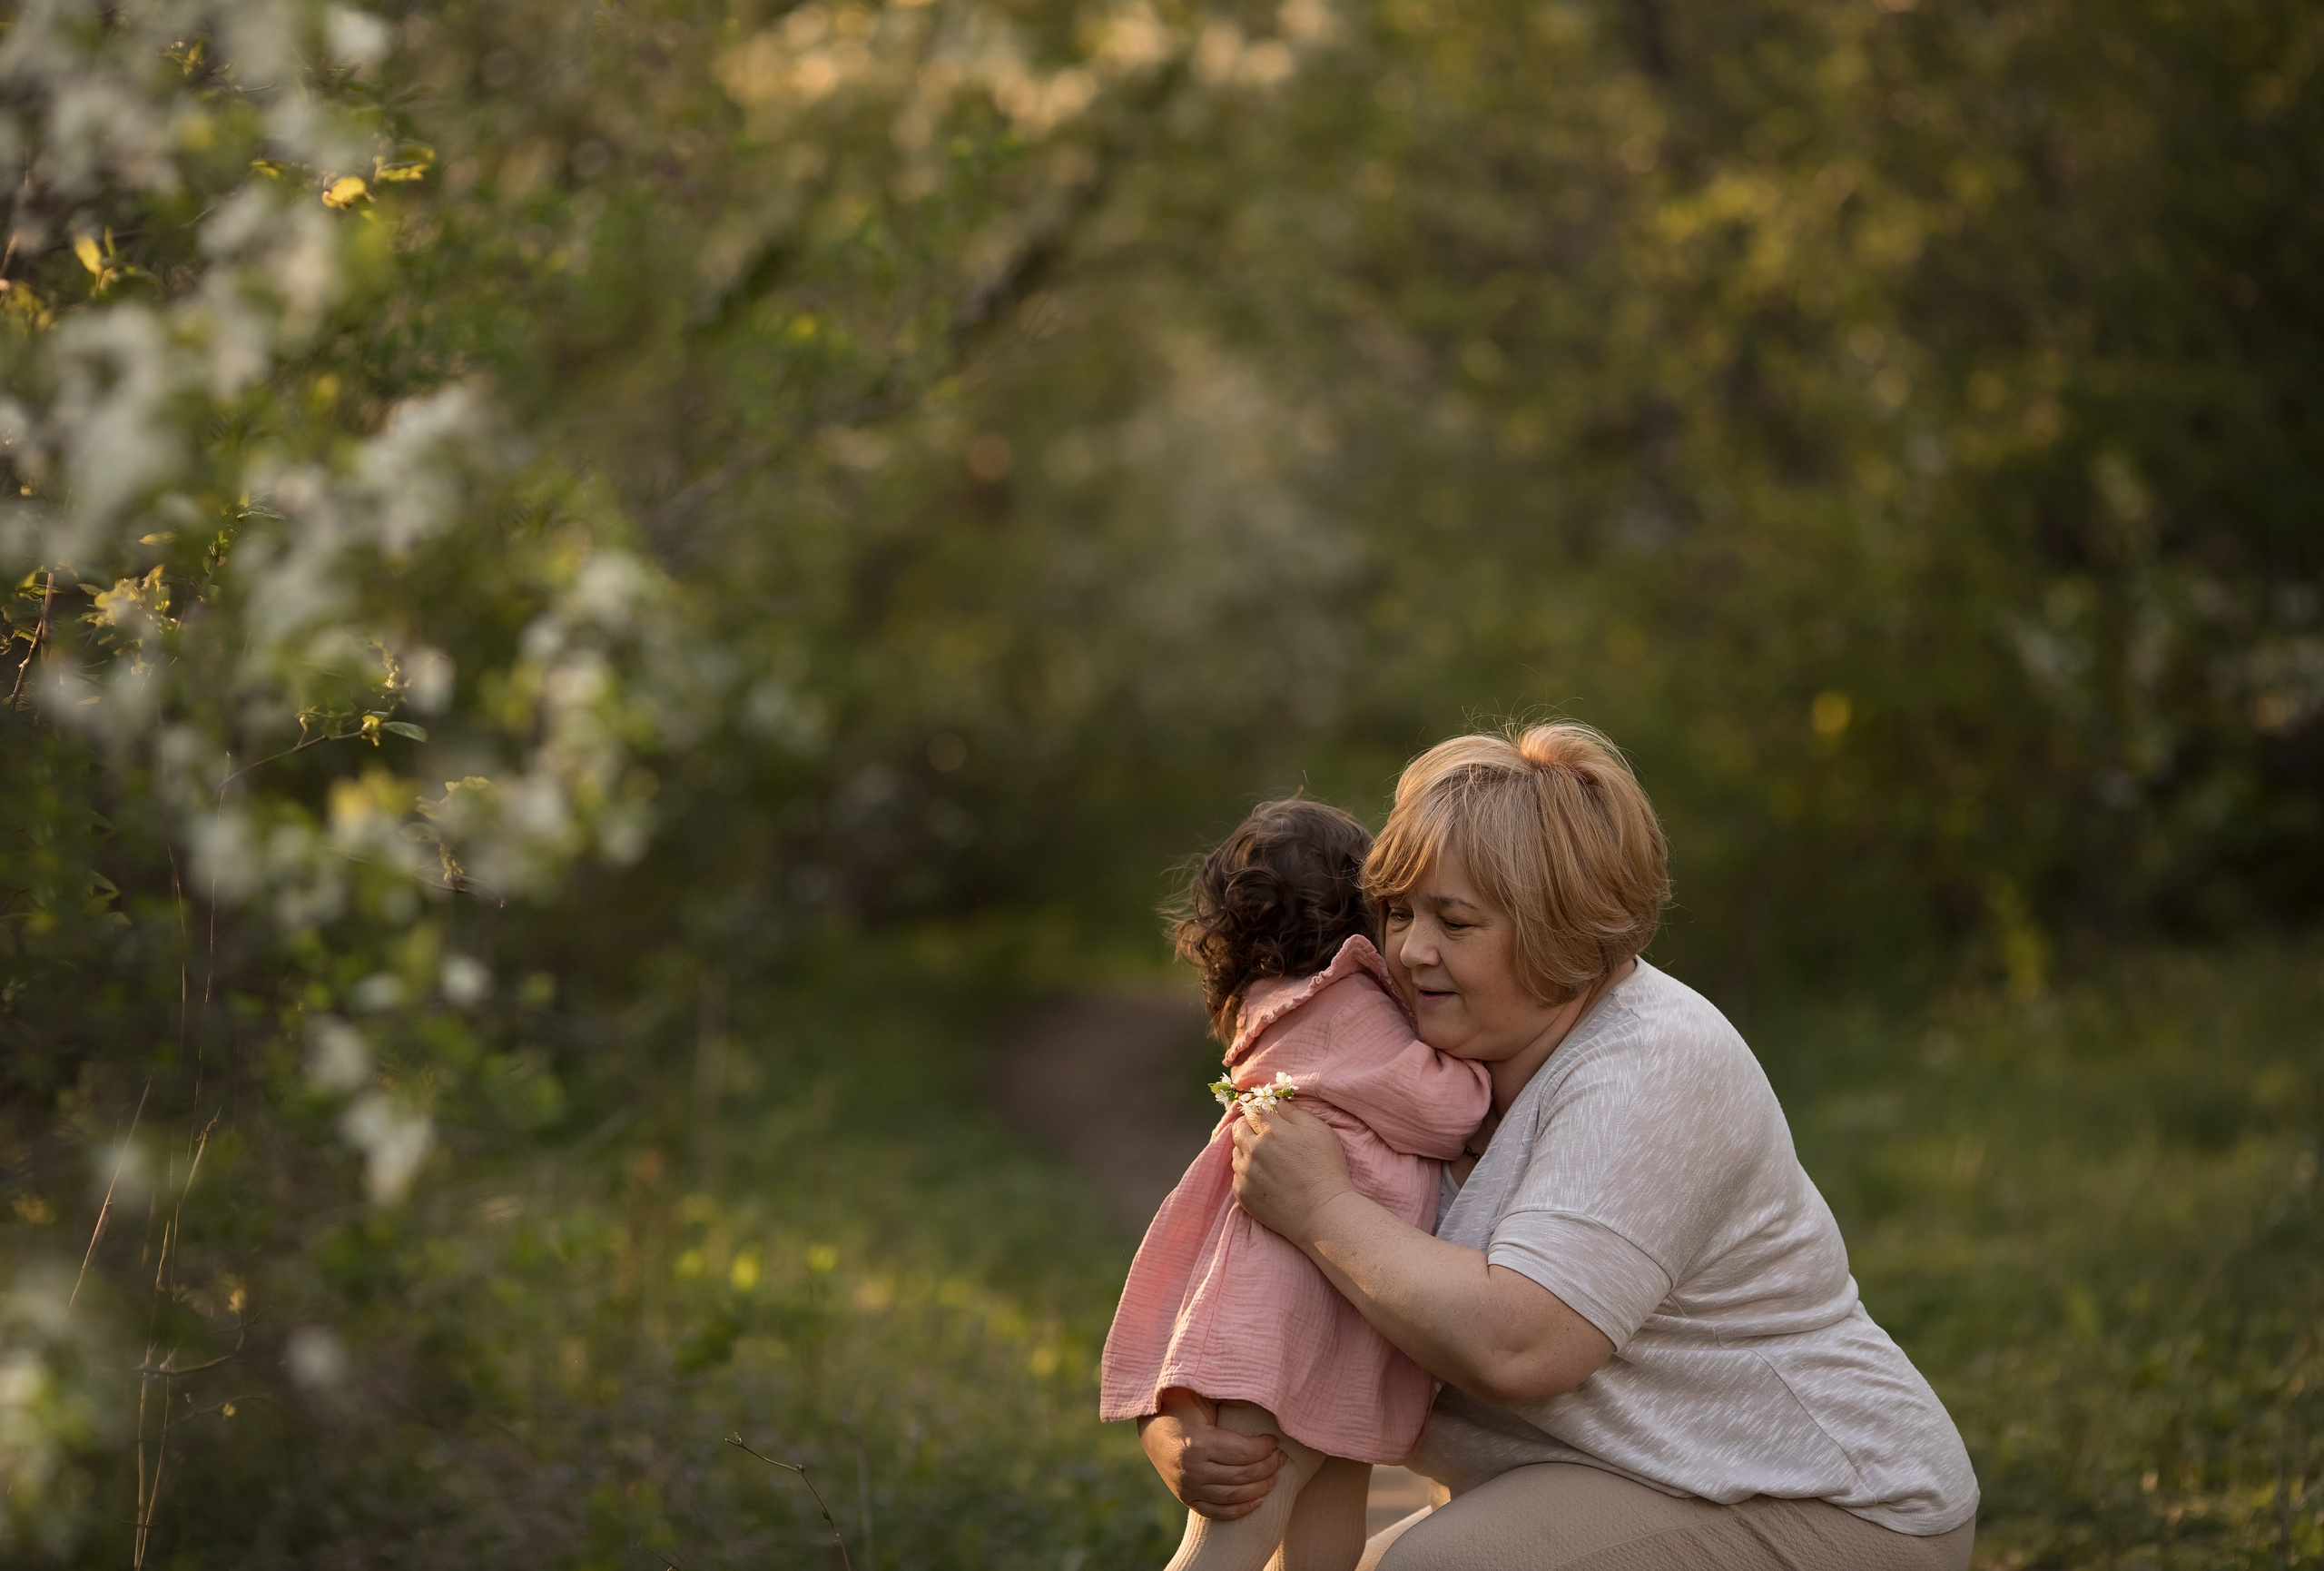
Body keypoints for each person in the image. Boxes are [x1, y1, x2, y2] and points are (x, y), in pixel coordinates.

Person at [1141, 725, 1981, 1571]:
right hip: (1627, 1478)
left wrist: (1323, 1208)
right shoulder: (1414, 1058)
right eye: (1397, 912)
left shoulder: (1651, 1063)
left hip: (1824, 1504)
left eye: (1454, 921)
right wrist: (1175, 1425)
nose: (1410, 950)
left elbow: (1524, 1345)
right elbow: (1268, 1290)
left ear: (1560, 931)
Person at [1102, 799, 1493, 1571]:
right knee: (1240, 1531)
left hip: (1326, 1310)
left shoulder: (1278, 1006)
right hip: (1294, 1314)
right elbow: (1441, 1111)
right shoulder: (1345, 1005)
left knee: (1326, 1534)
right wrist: (1490, 1079)